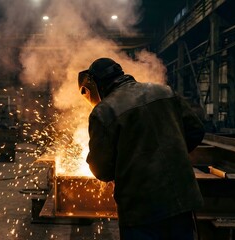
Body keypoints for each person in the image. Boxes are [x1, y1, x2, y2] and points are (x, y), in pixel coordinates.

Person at [78, 58, 205, 239]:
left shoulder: (104, 111)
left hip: (140, 209)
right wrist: (173, 154)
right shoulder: (165, 91)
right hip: (180, 200)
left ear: (97, 85)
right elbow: (196, 131)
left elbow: (102, 170)